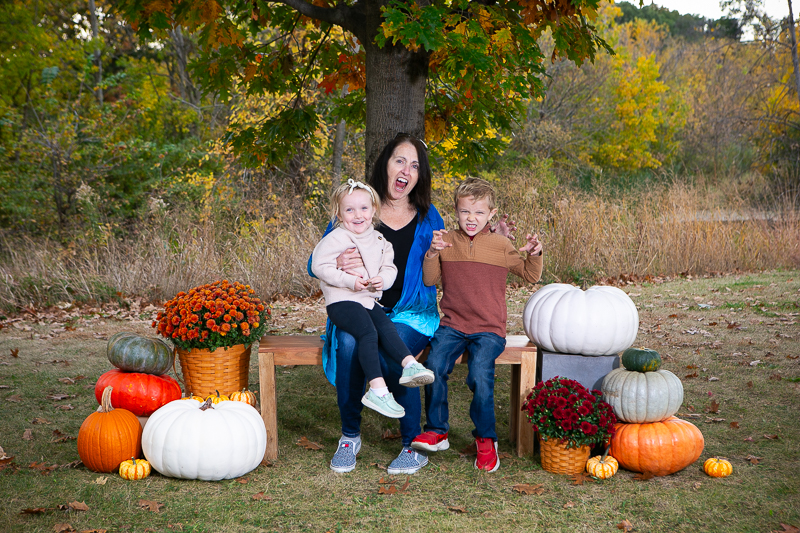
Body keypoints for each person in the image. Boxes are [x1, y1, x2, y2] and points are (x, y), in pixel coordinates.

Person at [411, 177, 544, 472]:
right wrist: (432, 253)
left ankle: (486, 439)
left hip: (489, 329)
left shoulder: (501, 245)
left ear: (491, 214)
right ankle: (437, 430)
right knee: (434, 365)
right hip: (452, 325)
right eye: (465, 211)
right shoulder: (446, 241)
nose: (471, 218)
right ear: (456, 211)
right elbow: (430, 279)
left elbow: (530, 275)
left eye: (479, 212)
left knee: (480, 375)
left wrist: (534, 253)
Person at [310, 179, 435, 420]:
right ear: (339, 214)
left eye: (364, 208)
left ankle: (410, 365)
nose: (358, 215)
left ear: (374, 210)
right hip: (342, 301)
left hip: (367, 300)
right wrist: (349, 281)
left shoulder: (379, 240)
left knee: (386, 327)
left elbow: (390, 268)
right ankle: (377, 390)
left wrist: (382, 280)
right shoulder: (336, 238)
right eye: (350, 210)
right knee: (368, 332)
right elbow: (319, 266)